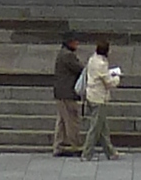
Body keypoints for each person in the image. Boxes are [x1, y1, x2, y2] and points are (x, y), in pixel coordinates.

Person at [79, 37, 121, 161]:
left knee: (103, 127)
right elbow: (108, 83)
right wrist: (117, 78)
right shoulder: (101, 64)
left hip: (91, 95)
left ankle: (111, 152)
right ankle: (86, 154)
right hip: (99, 98)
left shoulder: (92, 59)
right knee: (95, 128)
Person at [51, 28, 83, 158]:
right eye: (75, 41)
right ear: (69, 42)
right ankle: (75, 145)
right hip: (67, 93)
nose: (77, 44)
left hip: (60, 92)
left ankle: (58, 146)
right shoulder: (68, 56)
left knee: (62, 121)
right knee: (71, 119)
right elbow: (80, 69)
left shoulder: (62, 53)